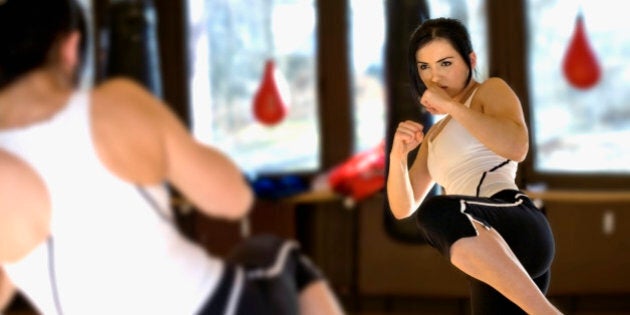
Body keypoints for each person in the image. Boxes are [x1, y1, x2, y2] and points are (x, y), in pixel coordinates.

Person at [0, 0, 345, 314]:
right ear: (71, 48)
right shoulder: (114, 104)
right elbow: (234, 200)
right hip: (215, 306)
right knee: (276, 254)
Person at [386, 17, 562, 314]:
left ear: (471, 60)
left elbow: (517, 148)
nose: (434, 77)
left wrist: (452, 106)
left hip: (513, 222)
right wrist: (397, 157)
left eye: (445, 63)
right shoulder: (435, 136)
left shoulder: (489, 91)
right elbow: (403, 207)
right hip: (487, 253)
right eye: (424, 67)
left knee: (438, 210)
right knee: (433, 213)